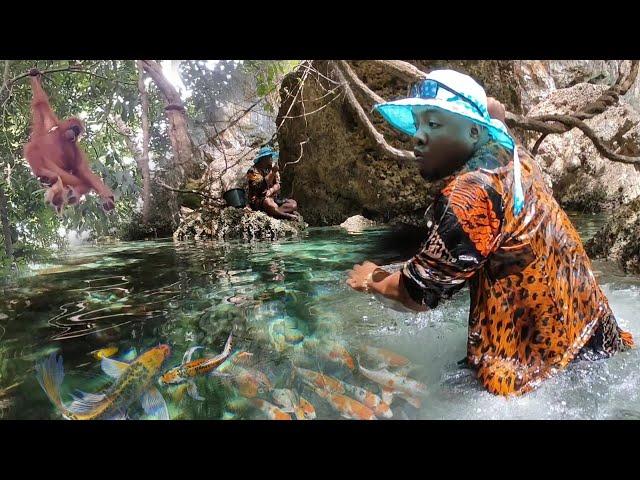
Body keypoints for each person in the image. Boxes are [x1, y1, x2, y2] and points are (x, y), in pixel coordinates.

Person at [346, 70, 634, 396]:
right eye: (418, 124)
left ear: (473, 131)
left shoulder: (470, 196)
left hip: (535, 375)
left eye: (434, 124)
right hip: (596, 334)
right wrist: (494, 117)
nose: (419, 137)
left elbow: (418, 294)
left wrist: (373, 280)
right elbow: (499, 130)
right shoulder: (514, 155)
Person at [246, 146, 299, 220]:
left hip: (273, 199)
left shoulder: (269, 168)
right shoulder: (252, 171)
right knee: (268, 203)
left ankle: (275, 212)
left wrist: (272, 190)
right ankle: (283, 215)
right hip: (258, 201)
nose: (271, 158)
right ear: (263, 159)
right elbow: (260, 187)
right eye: (269, 156)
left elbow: (277, 185)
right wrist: (272, 172)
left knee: (293, 204)